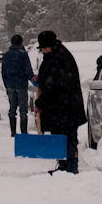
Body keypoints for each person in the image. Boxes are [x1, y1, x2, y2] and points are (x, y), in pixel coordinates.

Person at [34, 30, 86, 174]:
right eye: (42, 48)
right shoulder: (55, 55)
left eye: (45, 47)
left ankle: (70, 167)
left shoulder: (59, 58)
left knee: (67, 138)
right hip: (62, 107)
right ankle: (64, 166)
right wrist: (41, 78)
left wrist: (40, 103)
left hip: (65, 107)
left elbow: (54, 86)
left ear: (52, 45)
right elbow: (50, 79)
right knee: (60, 136)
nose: (43, 50)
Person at [1, 34, 35, 136]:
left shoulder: (6, 55)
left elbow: (3, 72)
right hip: (21, 84)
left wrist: (6, 84)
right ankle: (23, 131)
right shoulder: (23, 54)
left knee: (12, 108)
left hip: (10, 85)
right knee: (23, 108)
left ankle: (13, 131)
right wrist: (33, 80)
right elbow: (27, 69)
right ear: (21, 43)